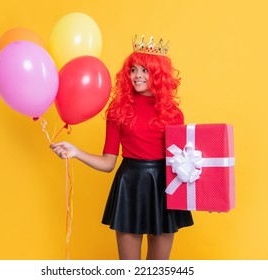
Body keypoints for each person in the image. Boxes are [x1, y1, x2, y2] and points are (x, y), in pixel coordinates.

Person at [50, 35, 193, 260]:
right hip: (130, 185)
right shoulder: (119, 110)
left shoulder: (173, 114)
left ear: (158, 75)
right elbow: (108, 163)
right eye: (133, 69)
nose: (137, 76)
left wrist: (204, 189)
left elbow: (184, 162)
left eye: (145, 70)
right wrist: (75, 152)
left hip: (164, 189)